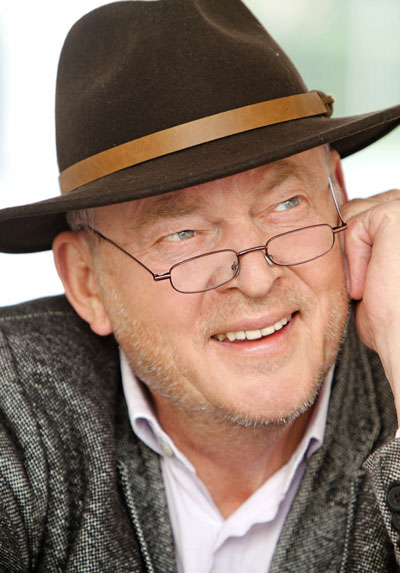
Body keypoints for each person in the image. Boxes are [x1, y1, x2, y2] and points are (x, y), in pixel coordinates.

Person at [0, 1, 399, 571]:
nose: (256, 279)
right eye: (184, 234)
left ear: (337, 190)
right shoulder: (15, 405)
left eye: (287, 203)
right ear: (87, 282)